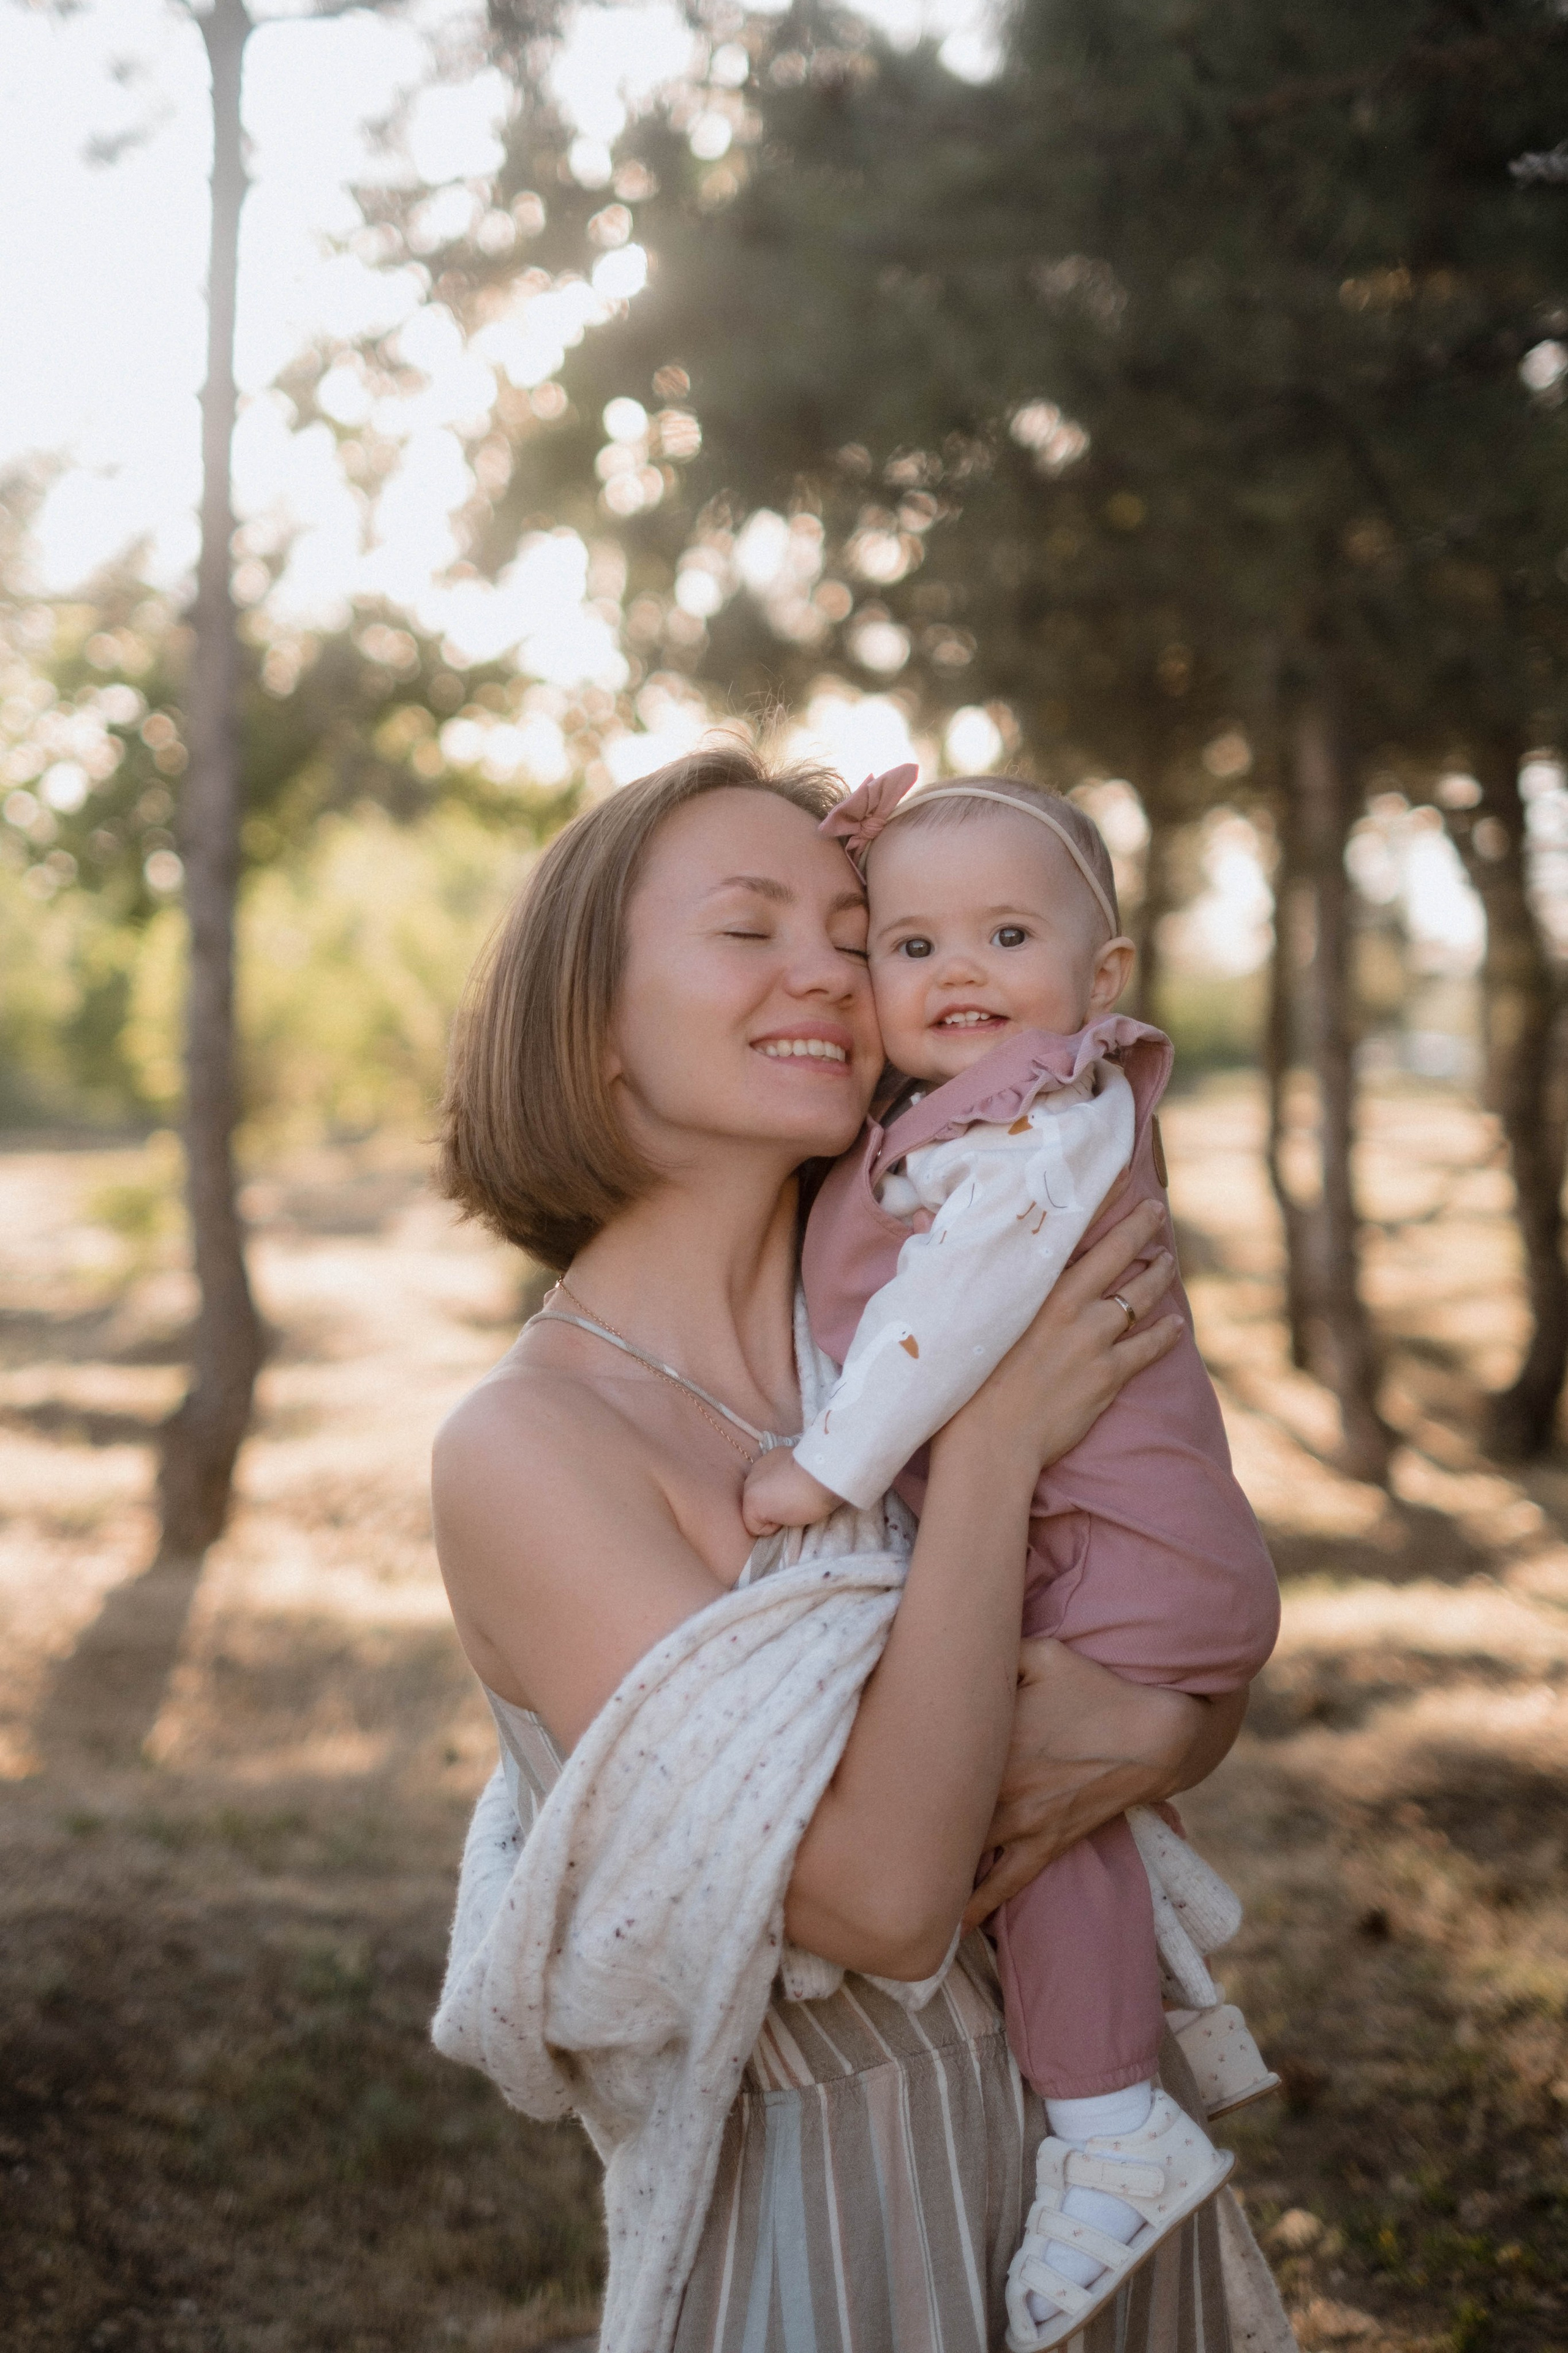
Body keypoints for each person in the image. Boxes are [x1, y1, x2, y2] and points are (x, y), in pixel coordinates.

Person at [429, 744, 1295, 2353]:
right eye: (753, 928)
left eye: (855, 926)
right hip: (844, 2238)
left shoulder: (909, 1306)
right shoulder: (531, 1445)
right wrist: (985, 1447)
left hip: (1100, 2182)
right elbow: (892, 1897)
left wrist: (1180, 1722)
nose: (830, 967)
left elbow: (1151, 1625)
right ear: (591, 1023)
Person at [739, 767, 1282, 2347]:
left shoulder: (1033, 1116)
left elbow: (956, 1313)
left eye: (1003, 933)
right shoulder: (955, 1120)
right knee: (1052, 1828)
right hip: (1113, 1554)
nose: (955, 971)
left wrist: (826, 1467)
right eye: (907, 946)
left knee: (1016, 1815)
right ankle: (1116, 2111)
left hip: (1120, 1558)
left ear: (1100, 978)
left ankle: (1114, 2124)